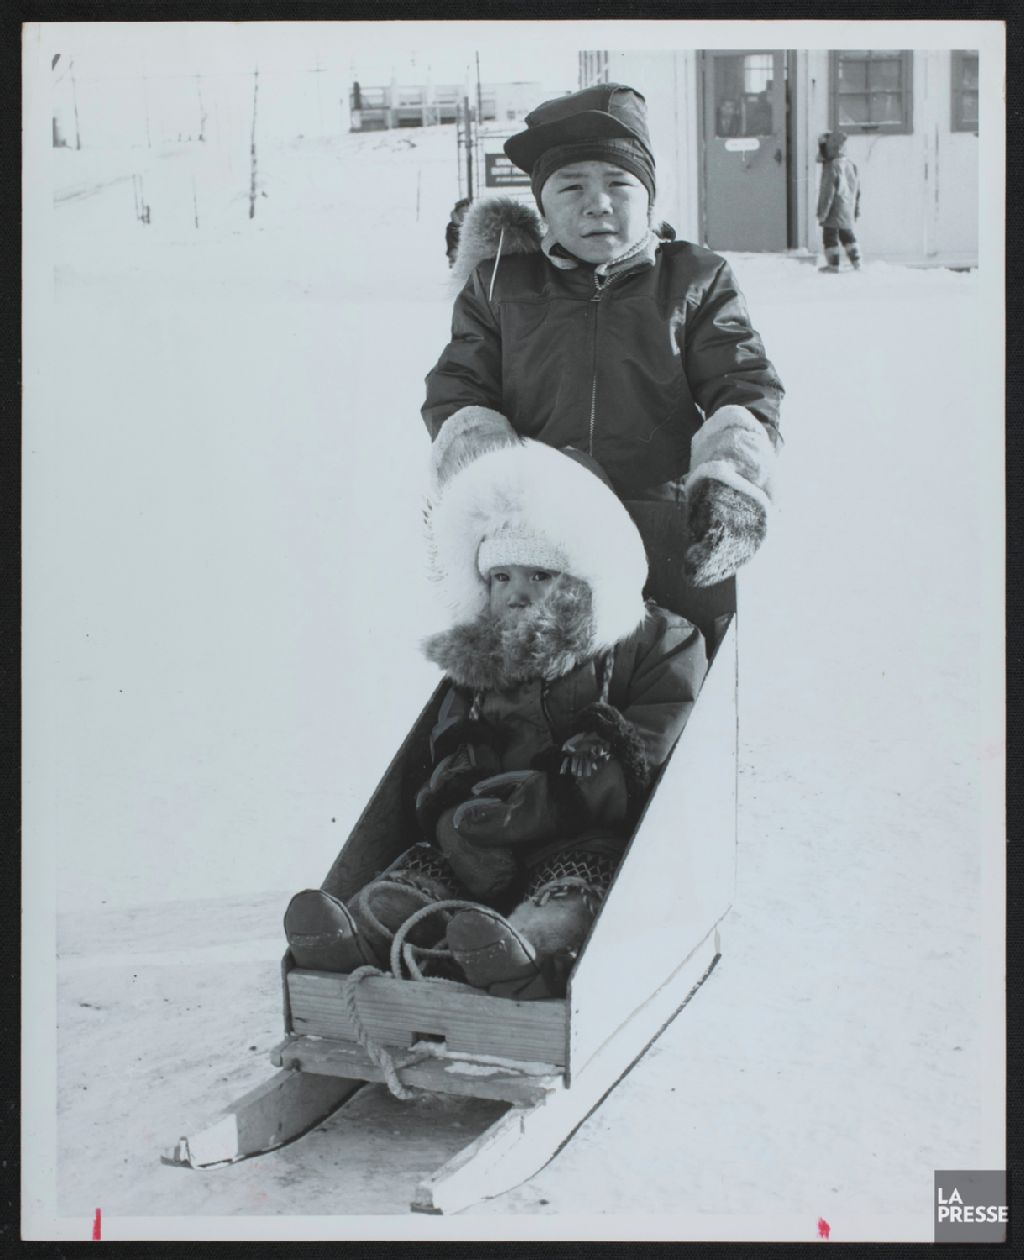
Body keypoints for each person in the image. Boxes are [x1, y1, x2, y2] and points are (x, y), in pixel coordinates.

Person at [284, 434, 708, 999]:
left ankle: (526, 953)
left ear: (586, 576)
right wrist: (454, 814)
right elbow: (446, 744)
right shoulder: (482, 660)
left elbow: (653, 739)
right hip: (485, 840)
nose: (516, 594)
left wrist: (553, 799)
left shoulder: (654, 641)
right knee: (422, 875)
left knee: (573, 890)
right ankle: (361, 936)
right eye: (502, 577)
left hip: (583, 834)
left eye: (540, 575)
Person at [423, 82, 784, 591]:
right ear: (543, 207)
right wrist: (498, 486)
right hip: (537, 535)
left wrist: (731, 482)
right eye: (571, 188)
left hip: (663, 529)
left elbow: (742, 383)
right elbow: (460, 390)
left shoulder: (696, 278)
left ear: (650, 197)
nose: (597, 204)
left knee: (669, 644)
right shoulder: (500, 285)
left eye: (618, 182)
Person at [816, 130, 862, 272]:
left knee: (829, 236)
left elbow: (827, 192)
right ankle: (857, 262)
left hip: (833, 208)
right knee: (846, 234)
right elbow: (857, 190)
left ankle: (833, 265)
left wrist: (822, 213)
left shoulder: (831, 166)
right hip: (847, 207)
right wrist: (856, 209)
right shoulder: (850, 164)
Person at [445, 197, 470, 268]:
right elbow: (452, 248)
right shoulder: (452, 228)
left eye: (467, 213)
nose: (464, 216)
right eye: (462, 213)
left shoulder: (475, 227)